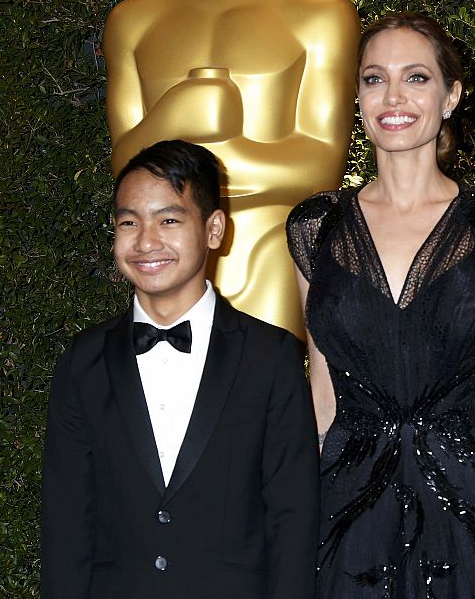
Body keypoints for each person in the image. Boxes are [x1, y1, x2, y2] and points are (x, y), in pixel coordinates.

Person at [286, 12, 475, 597]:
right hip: (347, 523)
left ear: (451, 95)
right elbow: (323, 395)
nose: (392, 97)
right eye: (373, 78)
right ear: (357, 95)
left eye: (415, 78)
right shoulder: (317, 228)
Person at [103, 0, 360, 338]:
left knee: (258, 402)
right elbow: (123, 164)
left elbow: (320, 165)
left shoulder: (318, 15)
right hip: (163, 256)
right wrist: (182, 112)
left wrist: (187, 148)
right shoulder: (136, 19)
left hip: (265, 245)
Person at [41, 139, 319, 599]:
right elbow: (66, 524)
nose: (146, 241)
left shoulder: (271, 358)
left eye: (168, 219)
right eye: (129, 222)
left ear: (213, 229)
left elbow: (293, 519)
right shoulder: (82, 361)